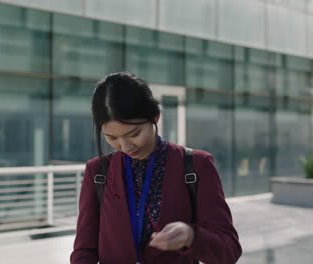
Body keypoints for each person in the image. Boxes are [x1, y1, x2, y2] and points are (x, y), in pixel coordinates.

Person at [70, 72, 242, 264]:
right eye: (112, 138)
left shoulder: (196, 165)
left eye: (134, 133)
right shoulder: (97, 172)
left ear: (155, 117)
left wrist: (191, 236)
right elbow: (84, 250)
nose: (126, 147)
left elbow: (229, 251)